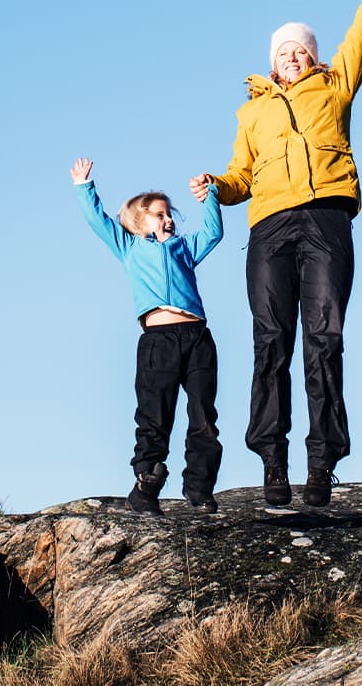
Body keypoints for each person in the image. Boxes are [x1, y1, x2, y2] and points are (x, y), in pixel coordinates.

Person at [190, 0, 362, 509]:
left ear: (313, 56)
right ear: (272, 63)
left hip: (326, 217)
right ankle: (272, 462)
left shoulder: (334, 87)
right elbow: (242, 176)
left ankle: (322, 463)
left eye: (300, 50)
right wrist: (216, 184)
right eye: (283, 52)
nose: (291, 56)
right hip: (270, 227)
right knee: (271, 340)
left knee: (324, 339)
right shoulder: (251, 112)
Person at [71, 156, 225, 514]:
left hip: (197, 337)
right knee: (155, 415)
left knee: (204, 414)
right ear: (140, 221)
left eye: (170, 213)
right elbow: (97, 220)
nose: (168, 219)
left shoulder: (184, 249)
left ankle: (200, 487)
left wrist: (211, 198)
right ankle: (146, 485)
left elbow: (214, 233)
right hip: (158, 342)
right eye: (160, 214)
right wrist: (84, 187)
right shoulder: (130, 248)